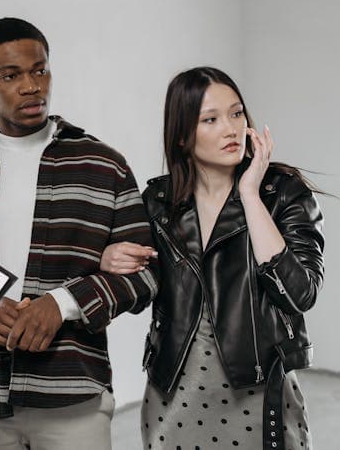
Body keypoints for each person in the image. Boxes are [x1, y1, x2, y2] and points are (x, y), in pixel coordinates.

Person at [0, 17, 159, 450]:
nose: (32, 86)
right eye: (11, 75)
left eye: (40, 70)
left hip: (74, 399)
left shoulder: (103, 166)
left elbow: (145, 275)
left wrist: (63, 303)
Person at [101, 66, 324, 450]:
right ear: (182, 135)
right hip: (175, 391)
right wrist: (110, 258)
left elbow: (299, 294)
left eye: (237, 113)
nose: (231, 129)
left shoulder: (283, 193)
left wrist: (250, 195)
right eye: (211, 119)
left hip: (258, 388)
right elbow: (140, 293)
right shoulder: (158, 202)